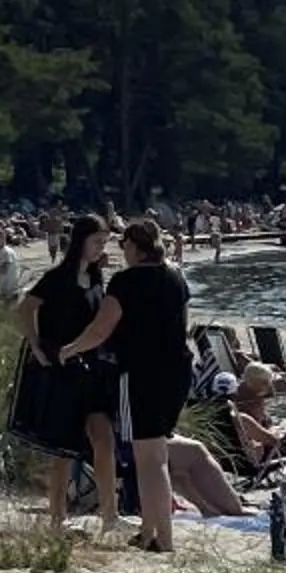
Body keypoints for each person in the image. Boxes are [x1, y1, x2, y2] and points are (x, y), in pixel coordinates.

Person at [58, 217, 191, 553]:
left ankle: (163, 538)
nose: (123, 251)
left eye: (124, 245)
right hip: (177, 372)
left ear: (134, 246)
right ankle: (148, 530)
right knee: (156, 451)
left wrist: (71, 349)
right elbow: (183, 326)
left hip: (141, 373)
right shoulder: (176, 276)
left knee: (149, 459)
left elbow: (100, 329)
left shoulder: (126, 281)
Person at [12, 213, 123, 536]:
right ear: (81, 241)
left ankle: (110, 515)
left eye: (104, 242)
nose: (101, 248)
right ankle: (57, 517)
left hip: (93, 370)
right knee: (62, 449)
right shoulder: (57, 277)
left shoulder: (97, 278)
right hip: (62, 369)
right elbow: (25, 309)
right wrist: (35, 347)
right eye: (97, 241)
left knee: (104, 439)